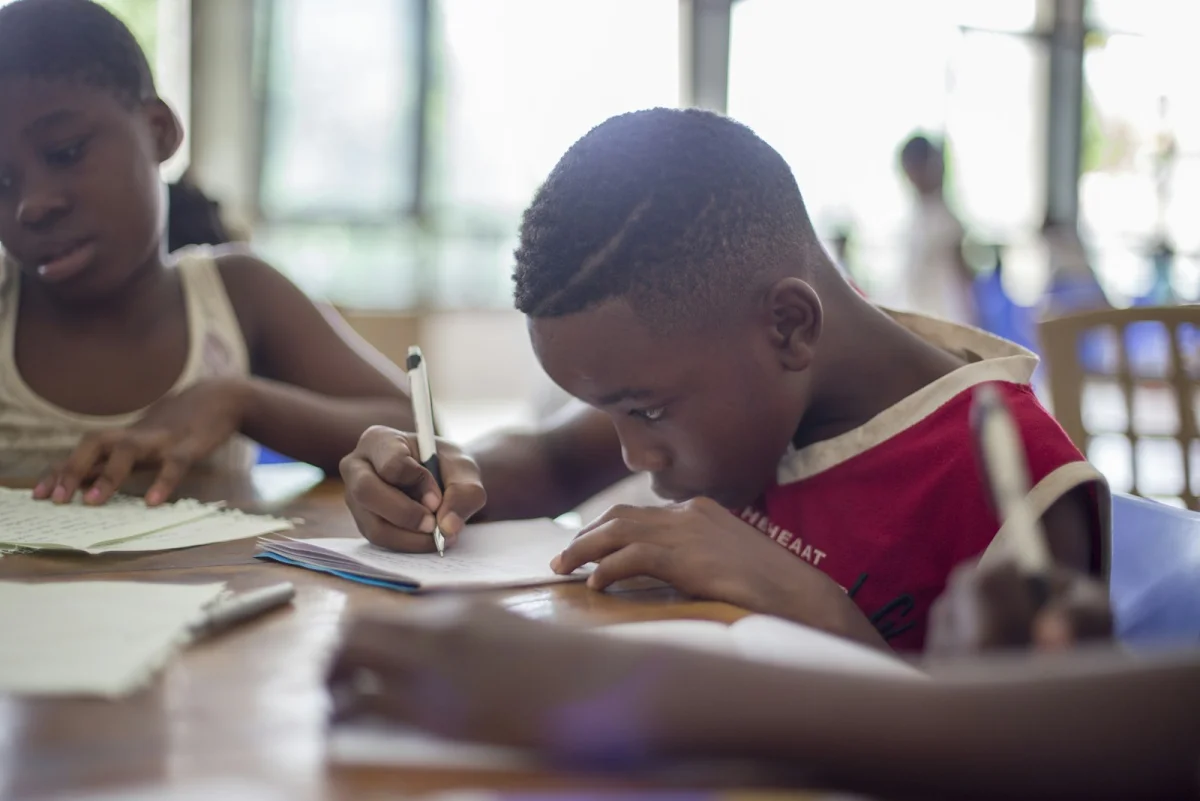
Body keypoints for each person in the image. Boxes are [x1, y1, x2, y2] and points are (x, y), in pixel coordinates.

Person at [340, 108, 1112, 654]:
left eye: (645, 409)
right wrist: (441, 474)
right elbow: (551, 460)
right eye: (610, 414)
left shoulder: (1016, 486)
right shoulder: (737, 378)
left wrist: (815, 606)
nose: (634, 455)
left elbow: (1015, 747)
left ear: (788, 326)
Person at [0, 0, 413, 504]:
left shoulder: (237, 296)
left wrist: (240, 401)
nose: (31, 206)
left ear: (159, 132)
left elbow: (419, 433)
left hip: (222, 583)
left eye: (65, 152)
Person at [898, 134, 977, 326]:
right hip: (919, 321)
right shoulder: (916, 218)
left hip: (946, 323)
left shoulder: (946, 220)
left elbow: (963, 280)